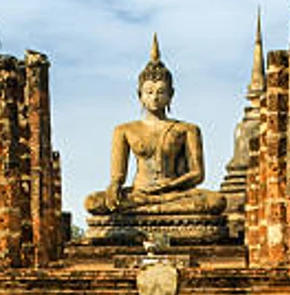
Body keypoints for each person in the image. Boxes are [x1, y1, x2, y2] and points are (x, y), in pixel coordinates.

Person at [85, 36, 226, 216]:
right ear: (140, 95)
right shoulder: (125, 130)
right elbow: (118, 176)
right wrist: (114, 187)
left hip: (175, 194)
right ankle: (153, 210)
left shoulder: (187, 130)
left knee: (216, 201)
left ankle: (151, 211)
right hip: (139, 194)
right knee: (93, 202)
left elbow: (197, 174)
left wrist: (170, 185)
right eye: (149, 92)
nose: (155, 97)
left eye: (161, 91)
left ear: (171, 94)